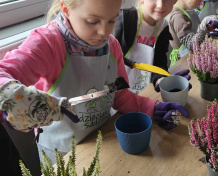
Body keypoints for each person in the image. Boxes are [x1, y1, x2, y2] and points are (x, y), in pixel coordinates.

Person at [0, 0, 189, 164]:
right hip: (61, 154)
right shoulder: (48, 43)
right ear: (66, 9)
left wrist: (151, 108)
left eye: (112, 20)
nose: (104, 32)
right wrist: (13, 97)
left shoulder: (112, 46)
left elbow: (119, 94)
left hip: (103, 142)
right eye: (92, 21)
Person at [114, 0, 191, 94]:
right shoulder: (125, 19)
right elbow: (111, 60)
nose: (160, 5)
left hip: (141, 89)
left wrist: (160, 79)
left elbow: (159, 62)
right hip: (116, 90)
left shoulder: (163, 27)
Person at [168, 0, 218, 66]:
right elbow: (191, 45)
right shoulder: (178, 17)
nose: (200, 1)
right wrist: (204, 26)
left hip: (194, 55)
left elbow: (194, 31)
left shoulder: (187, 10)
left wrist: (208, 31)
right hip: (184, 60)